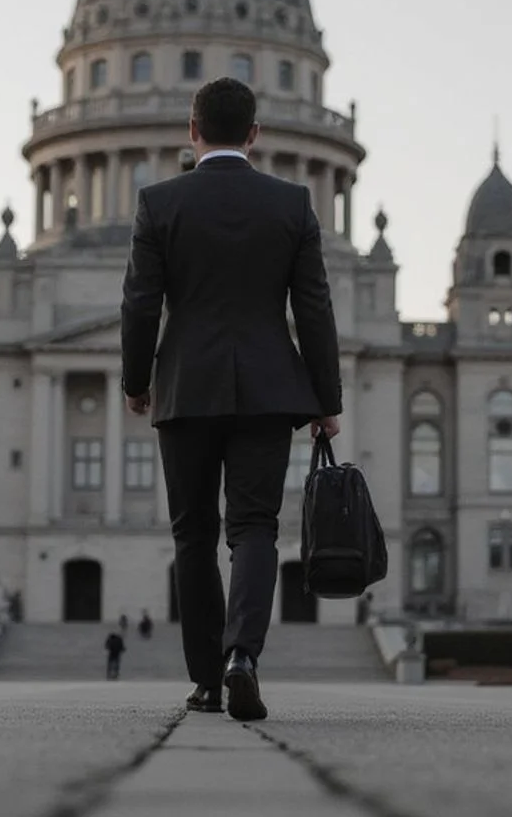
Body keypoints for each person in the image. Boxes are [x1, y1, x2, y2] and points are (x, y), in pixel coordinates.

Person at [119, 77, 342, 723]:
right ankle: (243, 654)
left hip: (185, 388)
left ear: (191, 132)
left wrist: (137, 382)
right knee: (255, 529)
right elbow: (315, 309)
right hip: (269, 391)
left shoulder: (159, 204)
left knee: (193, 536)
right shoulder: (293, 204)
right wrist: (326, 398)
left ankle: (207, 681)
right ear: (254, 135)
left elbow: (139, 306)